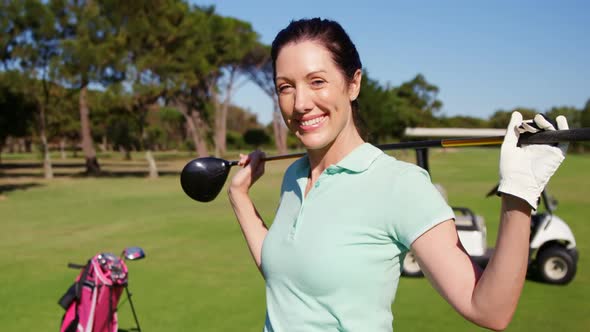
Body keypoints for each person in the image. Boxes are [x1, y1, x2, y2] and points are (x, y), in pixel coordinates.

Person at [227, 18, 569, 332]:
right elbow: (283, 275)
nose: (300, 102)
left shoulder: (399, 185)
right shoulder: (294, 176)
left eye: (317, 81)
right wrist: (240, 198)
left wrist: (519, 194)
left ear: (353, 84)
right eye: (286, 87)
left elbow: (489, 310)